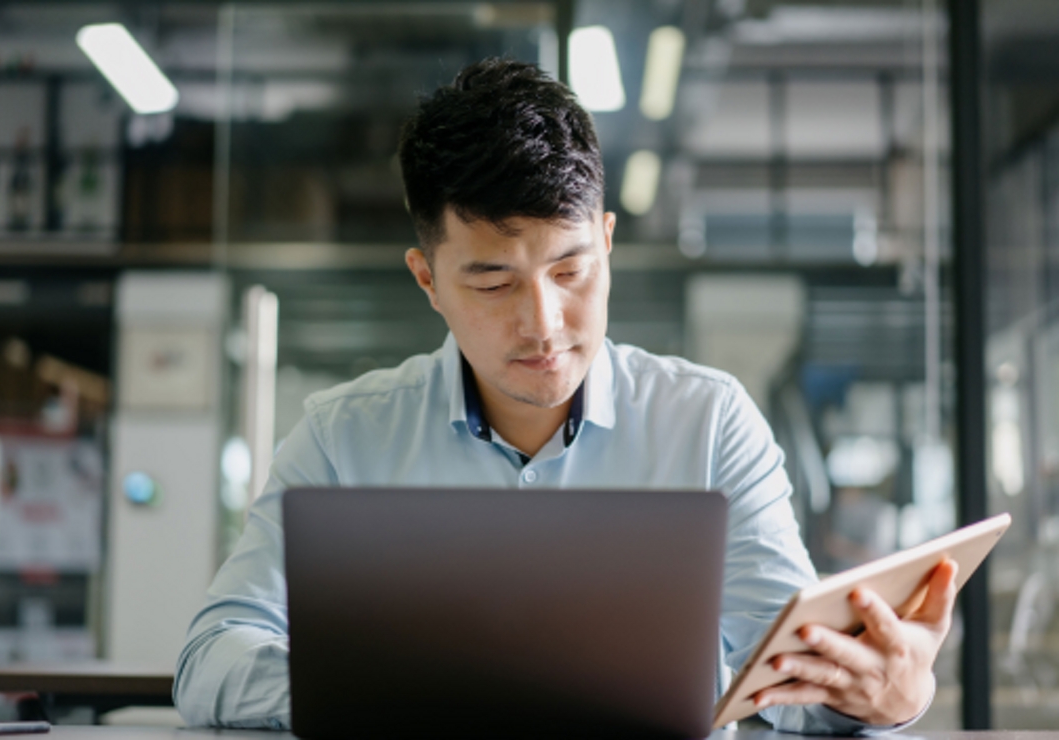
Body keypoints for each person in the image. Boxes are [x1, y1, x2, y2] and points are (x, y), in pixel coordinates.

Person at [173, 58, 957, 734]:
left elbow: (790, 677)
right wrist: (404, 696)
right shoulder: (343, 440)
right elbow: (212, 657)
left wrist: (889, 694)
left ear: (608, 242)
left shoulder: (709, 424)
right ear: (427, 280)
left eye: (572, 271)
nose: (544, 324)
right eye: (493, 280)